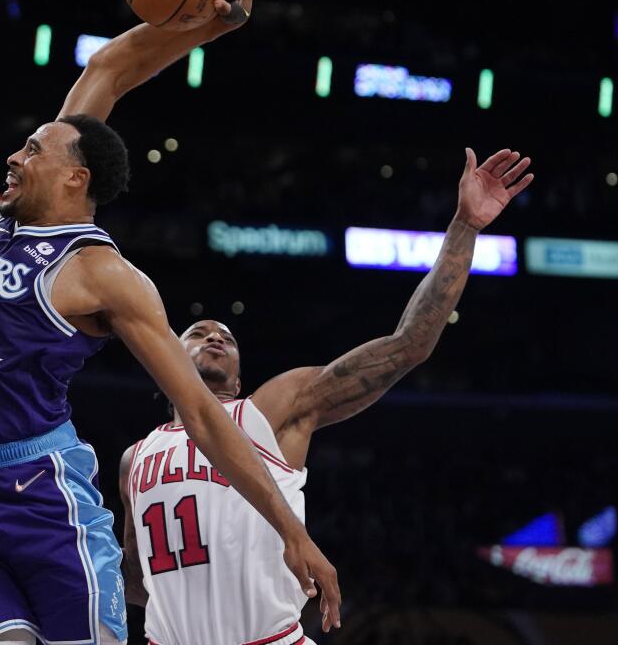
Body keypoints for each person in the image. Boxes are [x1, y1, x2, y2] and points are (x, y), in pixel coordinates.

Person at [0, 0, 341, 645]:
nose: (15, 157)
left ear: (75, 177)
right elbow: (112, 67)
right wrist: (212, 21)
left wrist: (290, 530)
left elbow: (204, 417)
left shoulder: (102, 274)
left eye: (34, 150)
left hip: (39, 499)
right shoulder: (8, 223)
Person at [118, 148, 534, 645]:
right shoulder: (133, 458)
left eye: (227, 336)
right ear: (168, 352)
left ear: (239, 374)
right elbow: (136, 577)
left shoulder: (269, 411)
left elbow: (407, 346)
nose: (215, 337)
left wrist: (464, 227)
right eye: (199, 331)